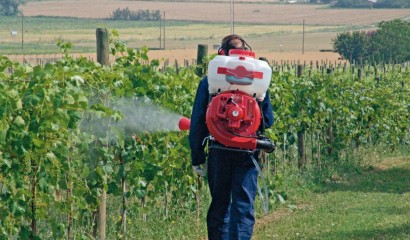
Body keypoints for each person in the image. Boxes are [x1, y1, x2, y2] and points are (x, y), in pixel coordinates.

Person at [188, 35, 274, 240]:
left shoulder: (210, 81)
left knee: (219, 205)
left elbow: (198, 121)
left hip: (219, 150)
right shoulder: (257, 80)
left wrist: (197, 157)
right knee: (243, 207)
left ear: (223, 53)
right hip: (248, 151)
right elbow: (268, 120)